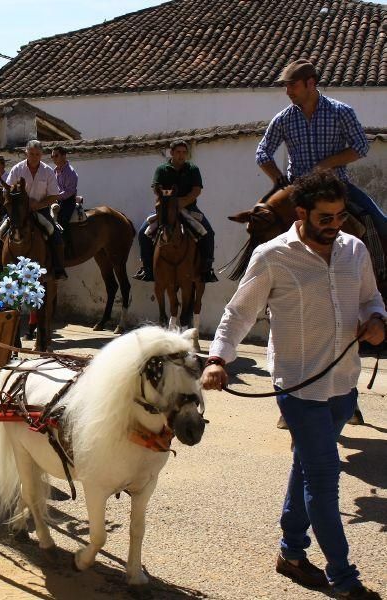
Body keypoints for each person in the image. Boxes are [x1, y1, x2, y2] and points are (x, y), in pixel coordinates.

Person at [201, 170, 384, 599]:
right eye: (324, 216)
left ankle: (291, 553)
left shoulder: (354, 250)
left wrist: (376, 321)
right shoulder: (272, 255)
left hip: (344, 384)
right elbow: (238, 313)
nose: (334, 224)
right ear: (300, 213)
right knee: (323, 478)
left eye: (339, 215)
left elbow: (372, 299)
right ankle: (343, 576)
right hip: (299, 388)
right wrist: (217, 358)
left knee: (306, 465)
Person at [256, 59, 386, 240]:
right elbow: (262, 153)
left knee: (382, 223)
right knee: (257, 224)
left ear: (310, 83)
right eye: (286, 86)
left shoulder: (340, 112)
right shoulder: (283, 119)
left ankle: (378, 267)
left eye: (292, 85)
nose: (287, 92)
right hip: (298, 191)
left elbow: (361, 146)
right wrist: (279, 180)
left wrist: (327, 163)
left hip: (337, 187)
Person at [133, 140, 217, 283]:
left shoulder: (192, 169)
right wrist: (171, 200)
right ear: (171, 153)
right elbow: (156, 188)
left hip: (190, 208)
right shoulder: (162, 169)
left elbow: (196, 190)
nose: (181, 155)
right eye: (178, 152)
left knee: (209, 232)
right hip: (166, 208)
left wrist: (182, 201)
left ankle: (206, 269)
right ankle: (147, 269)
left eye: (184, 153)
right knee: (142, 232)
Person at [7, 140, 67, 280]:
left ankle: (58, 268)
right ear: (26, 153)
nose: (34, 157)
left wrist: (38, 205)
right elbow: (8, 190)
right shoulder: (17, 169)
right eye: (31, 154)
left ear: (41, 155)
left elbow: (54, 196)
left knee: (54, 232)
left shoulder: (48, 172)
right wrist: (24, 203)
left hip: (41, 210)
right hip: (19, 212)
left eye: (37, 154)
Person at [50, 146, 79, 232]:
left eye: (56, 156)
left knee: (62, 221)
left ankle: (67, 244)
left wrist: (56, 197)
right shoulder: (54, 171)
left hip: (68, 201)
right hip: (58, 199)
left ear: (64, 156)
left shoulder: (70, 172)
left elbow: (69, 192)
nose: (53, 158)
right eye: (52, 156)